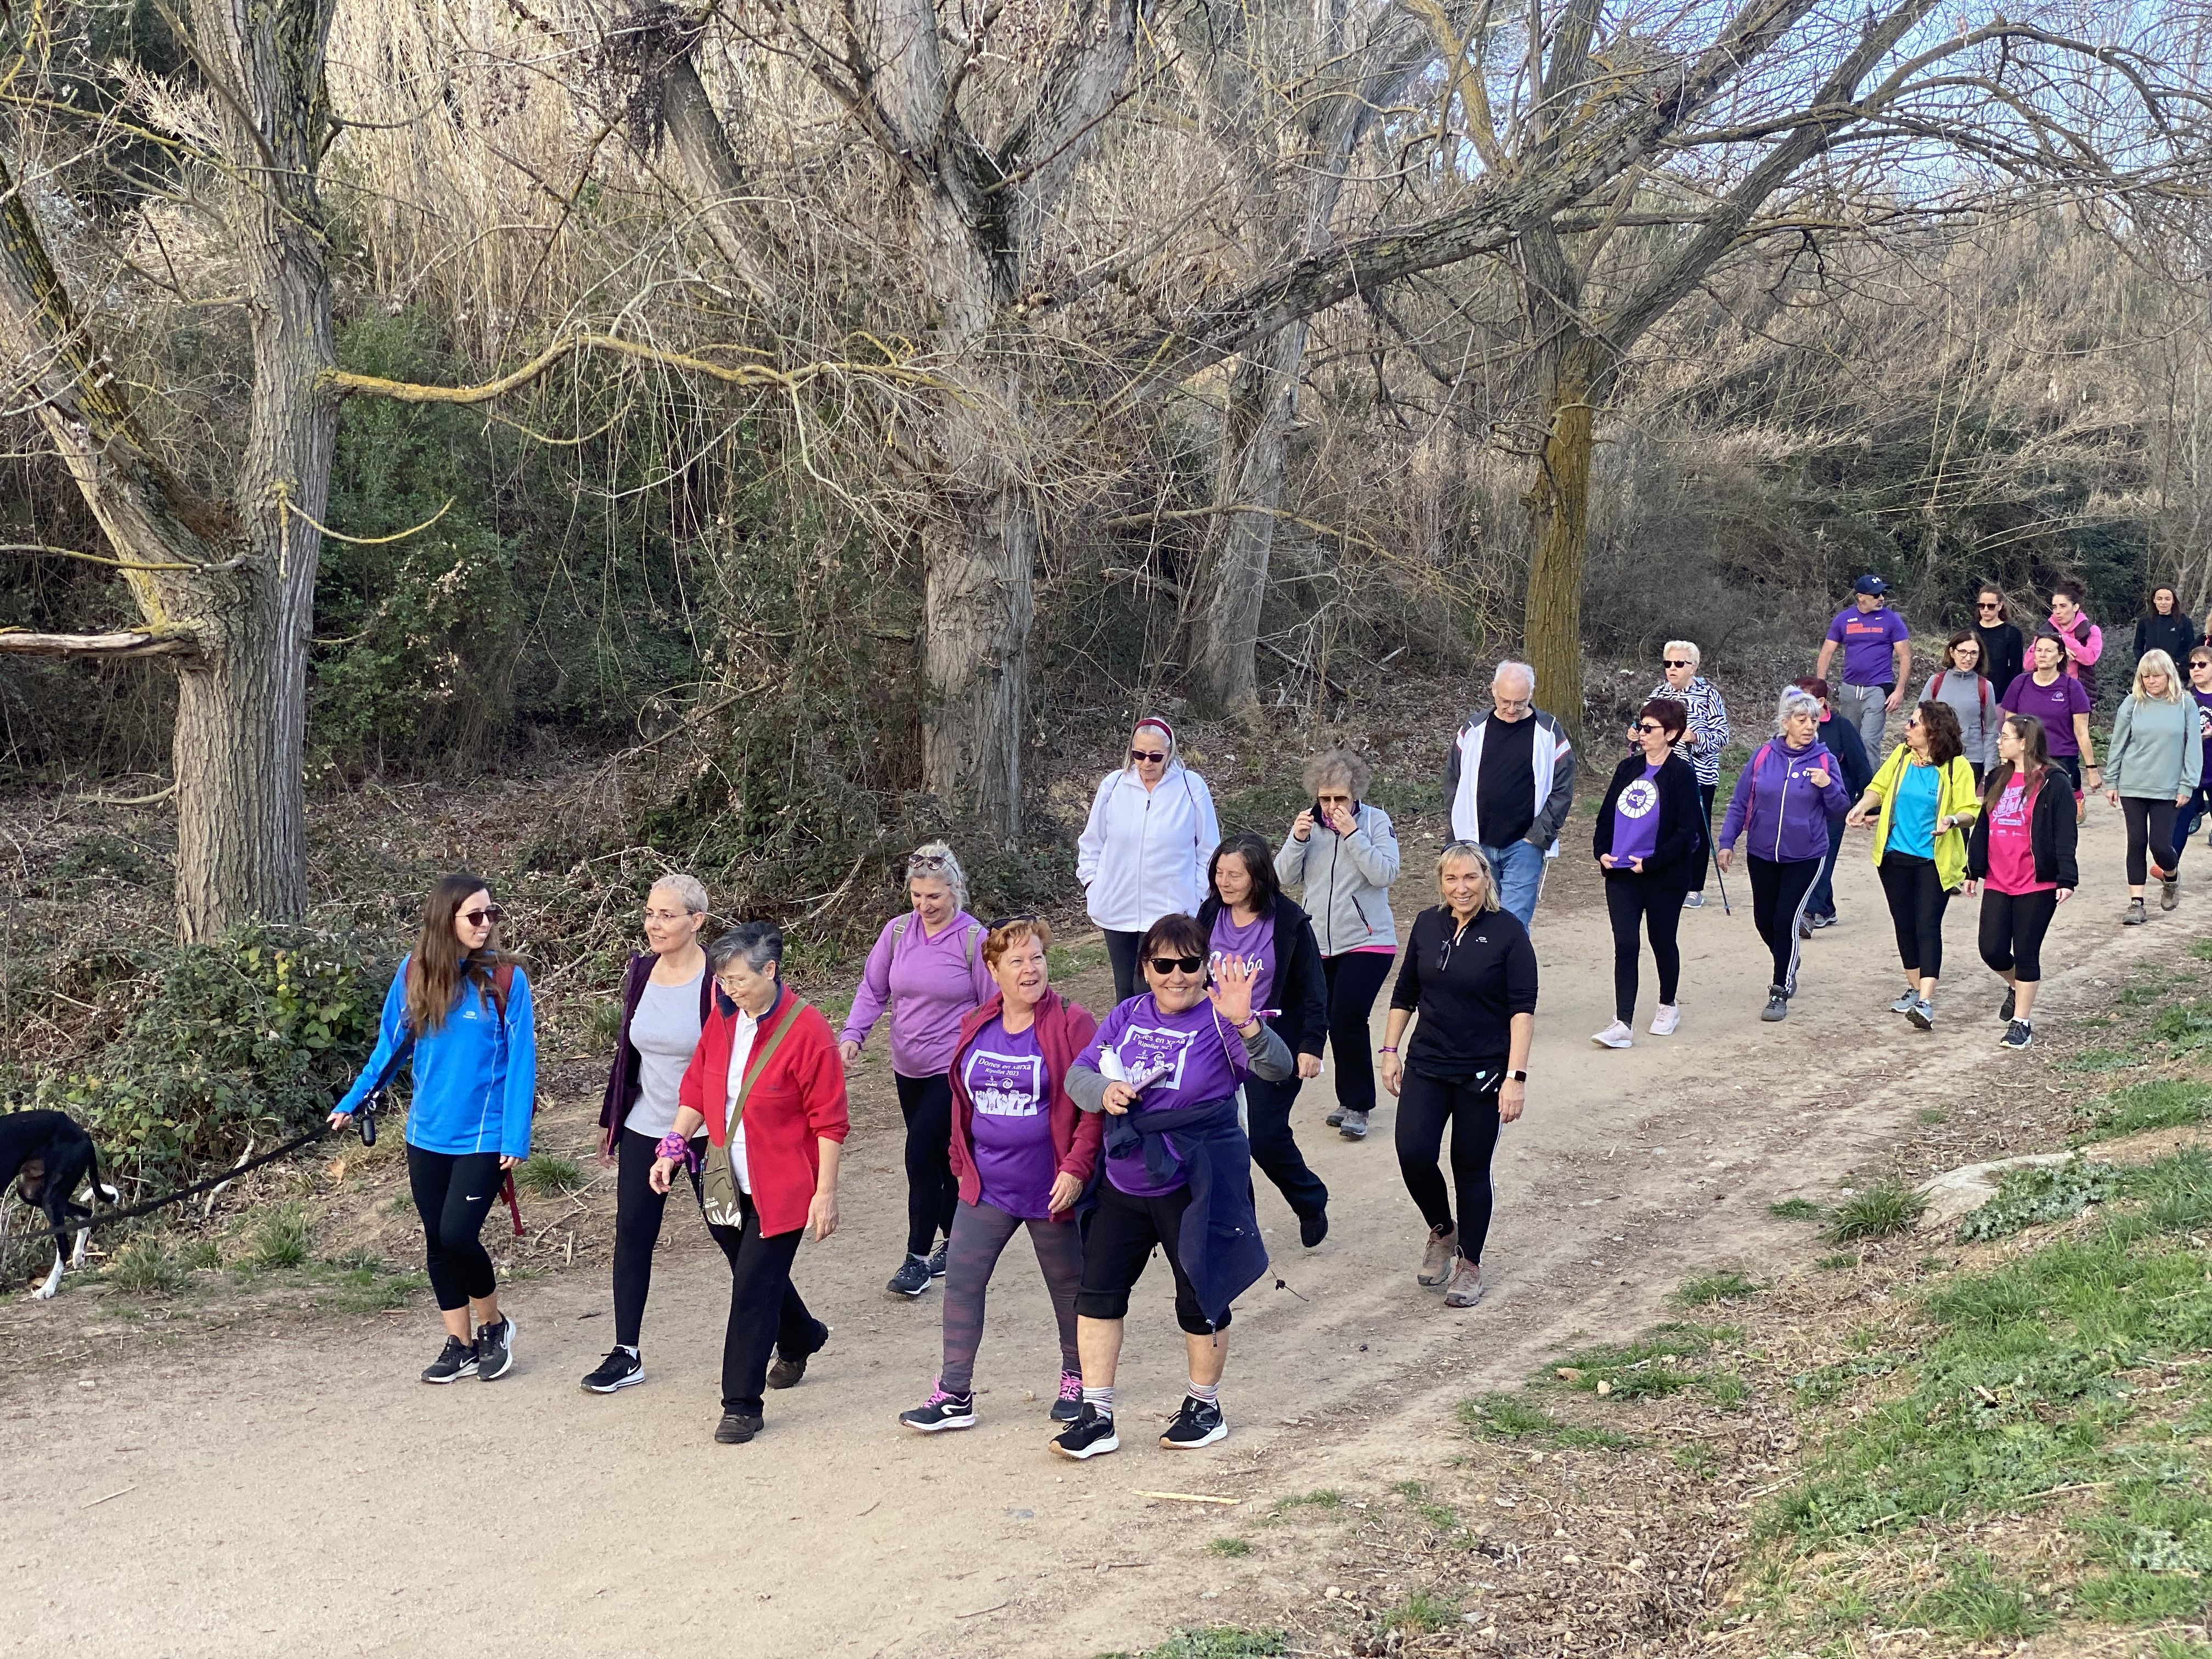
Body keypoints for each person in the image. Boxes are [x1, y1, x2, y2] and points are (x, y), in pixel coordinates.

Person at [1051, 918, 1290, 1461]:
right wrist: (1105, 1090)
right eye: (1164, 965)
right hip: (1127, 1175)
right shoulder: (1127, 1015)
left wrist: (1246, 1022)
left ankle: (1204, 1407)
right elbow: (1078, 1075)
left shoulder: (1220, 1020)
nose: (1176, 976)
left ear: (1205, 968)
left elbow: (1276, 1070)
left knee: (1201, 1294)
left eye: (1189, 964)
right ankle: (1097, 1415)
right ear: (1145, 969)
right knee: (1098, 1292)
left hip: (1197, 1179)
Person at [329, 872, 535, 1385]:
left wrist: (515, 1137)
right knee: (437, 1242)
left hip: (484, 1135)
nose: (486, 925)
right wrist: (354, 1101)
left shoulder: (508, 979)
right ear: (446, 920)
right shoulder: (414, 972)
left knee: (457, 1234)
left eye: (492, 914)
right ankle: (459, 1343)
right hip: (426, 1133)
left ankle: (494, 1326)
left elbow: (522, 1063)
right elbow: (389, 1046)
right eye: (475, 916)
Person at [899, 918, 1101, 1433]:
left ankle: (1077, 1378)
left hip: (1050, 1186)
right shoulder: (978, 1024)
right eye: (1017, 961)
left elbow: (1095, 1107)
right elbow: (959, 1097)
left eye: (1037, 958)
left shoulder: (1073, 1024)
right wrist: (959, 1158)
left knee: (1068, 1287)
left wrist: (1077, 1169)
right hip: (986, 1186)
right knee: (962, 1284)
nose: (1030, 969)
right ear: (993, 970)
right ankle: (954, 1394)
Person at [652, 923, 845, 1446]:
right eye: (723, 980)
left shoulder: (808, 1031)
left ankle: (741, 1404)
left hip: (782, 1185)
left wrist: (825, 1193)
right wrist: (673, 1144)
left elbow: (830, 1121)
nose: (729, 989)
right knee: (756, 1275)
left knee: (751, 1290)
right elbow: (698, 1083)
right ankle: (803, 1334)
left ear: (770, 971)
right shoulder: (723, 1018)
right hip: (720, 1179)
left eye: (738, 980)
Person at [1380, 844, 1536, 1311]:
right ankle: (1443, 1231)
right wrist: (1389, 1051)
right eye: (1452, 879)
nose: (1461, 888)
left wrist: (1516, 1077)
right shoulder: (1428, 925)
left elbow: (1522, 1010)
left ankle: (1471, 1263)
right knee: (1413, 1154)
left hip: (1484, 1071)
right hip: (1428, 1062)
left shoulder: (1509, 933)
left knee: (1470, 1167)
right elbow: (1405, 992)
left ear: (1486, 879)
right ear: (1441, 883)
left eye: (1470, 878)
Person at [840, 844, 993, 1298]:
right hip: (907, 1065)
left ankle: (917, 1260)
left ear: (956, 893)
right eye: (917, 896)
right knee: (942, 1163)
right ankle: (960, 1239)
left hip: (953, 1069)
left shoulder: (974, 940)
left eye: (935, 897)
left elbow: (991, 1009)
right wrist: (853, 1034)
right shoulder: (897, 932)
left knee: (919, 1156)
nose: (925, 906)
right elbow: (873, 989)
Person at [585, 873, 715, 1394]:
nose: (655, 924)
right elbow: (628, 1053)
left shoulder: (718, 978)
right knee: (633, 1236)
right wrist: (610, 1117)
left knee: (733, 1235)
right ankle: (626, 1351)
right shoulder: (641, 971)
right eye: (650, 913)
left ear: (696, 921)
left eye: (668, 915)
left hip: (708, 1129)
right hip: (645, 1123)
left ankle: (795, 1330)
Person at [1197, 833, 1331, 1244]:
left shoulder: (1288, 921)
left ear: (1258, 876)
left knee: (1265, 1137)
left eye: (1234, 874)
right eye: (1219, 872)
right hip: (1215, 1044)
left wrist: (1311, 1045)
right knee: (1223, 1139)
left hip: (1271, 1044)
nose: (1225, 882)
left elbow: (1313, 989)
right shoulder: (1209, 914)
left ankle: (1309, 1199)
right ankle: (1243, 1224)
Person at [1276, 749, 1400, 1143]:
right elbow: (1283, 877)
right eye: (1325, 798)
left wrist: (1353, 835)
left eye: (1340, 799)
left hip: (1369, 939)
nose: (1332, 807)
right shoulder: (1308, 825)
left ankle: (1358, 1104)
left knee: (1347, 1016)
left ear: (1355, 796)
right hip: (1318, 943)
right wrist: (1297, 840)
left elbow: (1385, 874)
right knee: (1326, 1017)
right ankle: (1346, 1102)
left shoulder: (1376, 822)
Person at [1716, 689, 1850, 1022]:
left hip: (1806, 855)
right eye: (1801, 720)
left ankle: (1780, 989)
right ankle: (1788, 958)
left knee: (1785, 919)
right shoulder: (1763, 756)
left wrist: (1827, 786)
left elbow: (1840, 810)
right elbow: (1739, 802)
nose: (1809, 727)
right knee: (1764, 920)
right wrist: (1727, 841)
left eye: (1814, 721)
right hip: (1761, 852)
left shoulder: (1825, 761)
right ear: (1785, 722)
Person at [1845, 701, 1979, 1030]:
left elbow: (1971, 810)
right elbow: (1879, 787)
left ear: (1932, 731)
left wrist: (1951, 819)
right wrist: (1861, 807)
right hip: (1893, 856)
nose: (1907, 727)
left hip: (1934, 861)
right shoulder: (1902, 757)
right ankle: (1915, 986)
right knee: (1903, 923)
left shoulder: (1956, 767)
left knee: (1927, 925)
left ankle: (1926, 1001)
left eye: (1913, 723)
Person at [1077, 718, 1221, 1002]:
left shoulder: (1191, 787)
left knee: (1154, 988)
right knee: (1125, 990)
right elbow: (1091, 842)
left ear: (1170, 753)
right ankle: (1127, 1044)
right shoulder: (1114, 785)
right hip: (1117, 906)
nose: (1146, 763)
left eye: (1155, 756)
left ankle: (1164, 1042)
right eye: (1139, 755)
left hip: (1169, 909)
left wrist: (1196, 896)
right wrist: (1092, 885)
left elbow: (1209, 850)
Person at [1590, 698, 1705, 1047]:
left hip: (1662, 875)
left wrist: (1652, 862)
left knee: (1661, 940)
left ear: (1670, 734)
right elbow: (1606, 815)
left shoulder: (1682, 775)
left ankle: (1668, 1005)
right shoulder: (1627, 769)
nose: (1641, 734)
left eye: (1649, 729)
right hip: (1622, 873)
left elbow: (1689, 833)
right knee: (1625, 944)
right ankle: (1622, 1022)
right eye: (1640, 727)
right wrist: (1602, 853)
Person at [1965, 715, 2076, 1051]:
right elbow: (1983, 826)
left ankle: (2021, 1022)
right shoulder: (1997, 777)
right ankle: (2017, 986)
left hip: (2037, 881)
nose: (2000, 742)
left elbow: (2064, 832)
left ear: (2025, 742)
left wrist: (2066, 877)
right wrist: (1974, 870)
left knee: (2027, 950)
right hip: (1999, 878)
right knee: (1992, 949)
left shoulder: (2053, 781)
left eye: (2006, 737)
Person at [1443, 660, 1577, 928]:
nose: (1512, 709)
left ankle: (1513, 971)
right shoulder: (1473, 728)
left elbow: (1564, 787)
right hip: (1475, 844)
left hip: (1524, 845)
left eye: (1520, 702)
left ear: (1532, 694)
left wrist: (1539, 835)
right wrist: (1457, 831)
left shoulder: (1549, 731)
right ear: (1493, 690)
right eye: (1505, 701)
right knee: (1474, 921)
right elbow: (1453, 781)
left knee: (1513, 926)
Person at [2105, 649, 2203, 923]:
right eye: (2145, 676)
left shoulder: (2185, 704)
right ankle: (2136, 903)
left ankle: (2171, 877)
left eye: (2156, 675)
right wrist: (2111, 780)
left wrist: (2188, 784)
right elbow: (2118, 744)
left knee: (2161, 845)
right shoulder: (2132, 704)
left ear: (2169, 675)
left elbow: (2193, 747)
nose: (2150, 681)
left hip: (2169, 786)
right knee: (2136, 842)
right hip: (2133, 784)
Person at [1647, 642, 1731, 907]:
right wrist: (1637, 733)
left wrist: (1696, 737)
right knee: (1661, 824)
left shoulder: (1709, 696)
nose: (1672, 669)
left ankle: (1694, 887)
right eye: (1668, 664)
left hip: (1699, 774)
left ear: (1693, 667)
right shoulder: (1658, 695)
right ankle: (1664, 879)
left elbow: (1722, 735)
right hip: (1662, 772)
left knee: (1695, 828)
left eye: (1679, 664)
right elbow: (1645, 728)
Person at [1796, 676, 1872, 932]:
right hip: (1801, 807)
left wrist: (1868, 807)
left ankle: (1808, 913)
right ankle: (1826, 909)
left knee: (1822, 859)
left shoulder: (1842, 727)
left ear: (1821, 702)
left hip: (1834, 806)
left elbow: (1861, 767)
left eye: (1803, 701)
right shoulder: (1791, 730)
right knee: (1807, 857)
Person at [2001, 631, 2098, 816]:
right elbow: (2009, 725)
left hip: (2060, 759)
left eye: (2048, 651)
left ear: (2060, 655)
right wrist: (2006, 758)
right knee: (2028, 812)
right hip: (2026, 757)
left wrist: (2092, 769)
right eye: (2038, 650)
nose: (2043, 655)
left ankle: (2077, 798)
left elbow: (2081, 732)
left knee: (2058, 815)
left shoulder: (2072, 687)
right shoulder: (2020, 684)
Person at [1815, 574, 1911, 760]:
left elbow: (1905, 655)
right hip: (1850, 689)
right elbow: (1827, 651)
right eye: (1876, 595)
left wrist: (1899, 690)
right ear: (1861, 597)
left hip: (1877, 688)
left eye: (1882, 594)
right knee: (1849, 739)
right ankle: (1849, 785)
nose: (1881, 598)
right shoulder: (1844, 619)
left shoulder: (1892, 620)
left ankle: (1870, 787)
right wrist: (1820, 686)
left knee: (1869, 741)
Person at [1922, 633, 1999, 787]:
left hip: (1971, 761)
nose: (1968, 658)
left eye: (1973, 653)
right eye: (1962, 652)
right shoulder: (1936, 682)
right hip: (1936, 758)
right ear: (1952, 652)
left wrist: (1990, 766)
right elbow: (1920, 720)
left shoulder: (1985, 686)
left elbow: (1991, 729)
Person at [2168, 646, 2212, 877]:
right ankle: (2169, 868)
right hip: (2189, 772)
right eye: (2192, 665)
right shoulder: (2182, 698)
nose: (2196, 669)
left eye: (2202, 665)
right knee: (2180, 821)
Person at [2049, 580, 2104, 703]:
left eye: (2063, 606)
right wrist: (2056, 650)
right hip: (2048, 693)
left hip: (2079, 695)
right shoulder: (2046, 630)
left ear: (2075, 607)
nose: (2057, 611)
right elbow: (2029, 663)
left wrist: (2062, 639)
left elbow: (2090, 658)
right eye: (2054, 607)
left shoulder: (2091, 630)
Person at [1972, 583, 2025, 701]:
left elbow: (2016, 671)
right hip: (1971, 694)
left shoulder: (2012, 634)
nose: (1985, 610)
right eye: (1981, 606)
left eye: (1991, 606)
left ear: (2000, 606)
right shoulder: (1970, 631)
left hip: (1999, 697)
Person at [2136, 585, 2198, 674]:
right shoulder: (2145, 621)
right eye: (2160, 599)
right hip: (2151, 670)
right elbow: (2138, 647)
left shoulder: (2184, 621)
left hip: (2175, 671)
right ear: (2154, 600)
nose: (2163, 602)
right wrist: (2143, 663)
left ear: (2173, 601)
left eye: (2167, 599)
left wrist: (2178, 664)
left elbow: (2191, 647)